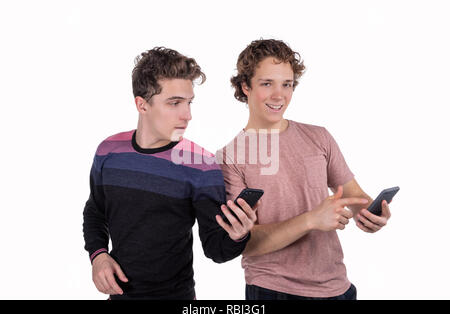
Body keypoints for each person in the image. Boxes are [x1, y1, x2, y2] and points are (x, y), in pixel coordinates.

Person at [217, 39, 392, 300]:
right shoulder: (229, 158)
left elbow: (354, 197)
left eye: (287, 84)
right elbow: (244, 243)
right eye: (267, 84)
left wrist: (370, 213)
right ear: (245, 86)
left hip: (338, 287)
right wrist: (311, 219)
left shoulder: (319, 137)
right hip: (274, 290)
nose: (279, 95)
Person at [82, 47, 257, 300]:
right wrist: (98, 255)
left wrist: (239, 234)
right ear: (142, 104)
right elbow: (96, 210)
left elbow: (216, 250)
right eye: (174, 103)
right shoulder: (108, 151)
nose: (187, 115)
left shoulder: (201, 164)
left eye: (189, 102)